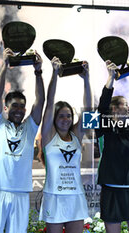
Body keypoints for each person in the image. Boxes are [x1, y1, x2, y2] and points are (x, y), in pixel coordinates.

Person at [0, 48, 45, 233]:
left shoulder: (29, 129)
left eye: (22, 106)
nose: (19, 109)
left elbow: (40, 102)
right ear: (5, 109)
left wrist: (38, 71)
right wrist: (4, 65)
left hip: (20, 194)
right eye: (14, 105)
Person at [38, 56, 92, 233]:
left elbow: (89, 112)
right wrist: (54, 73)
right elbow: (48, 103)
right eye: (61, 115)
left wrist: (86, 80)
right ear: (54, 118)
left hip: (75, 196)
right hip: (54, 197)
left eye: (68, 115)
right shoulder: (48, 135)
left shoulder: (76, 135)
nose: (65, 119)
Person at [96, 60, 129, 233]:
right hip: (111, 190)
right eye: (123, 105)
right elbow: (102, 106)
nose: (127, 109)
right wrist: (111, 78)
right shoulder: (104, 127)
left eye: (127, 106)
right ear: (112, 111)